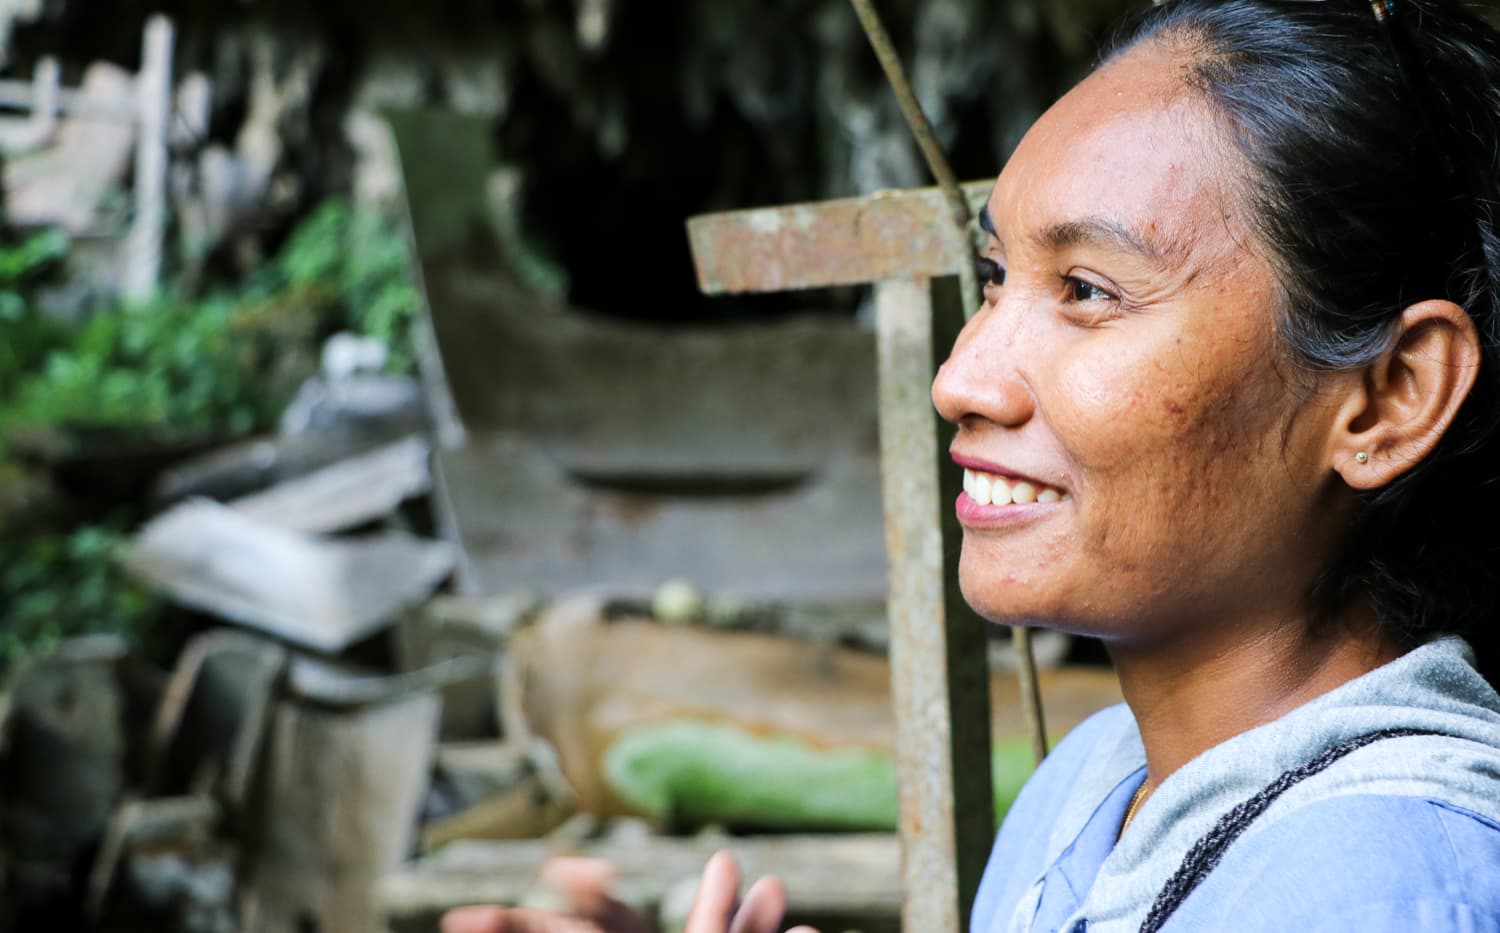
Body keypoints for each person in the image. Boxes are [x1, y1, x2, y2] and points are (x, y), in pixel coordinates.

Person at [442, 1, 1500, 930]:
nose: (960, 378)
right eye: (995, 275)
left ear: (1389, 397)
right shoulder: (1086, 788)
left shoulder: (1376, 886)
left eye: (1087, 290)